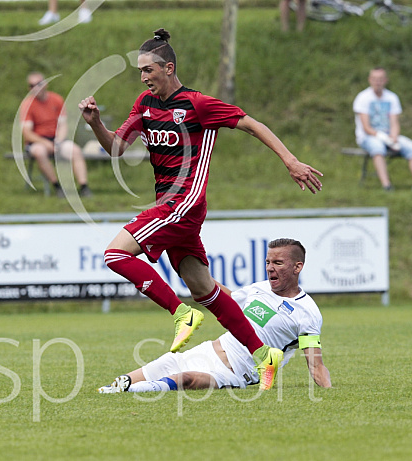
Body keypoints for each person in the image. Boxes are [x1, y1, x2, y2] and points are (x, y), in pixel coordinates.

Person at [79, 29, 323, 390]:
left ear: (169, 67)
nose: (144, 77)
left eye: (148, 70)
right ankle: (261, 353)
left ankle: (181, 314)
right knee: (204, 288)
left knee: (115, 254)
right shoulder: (144, 104)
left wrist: (290, 160)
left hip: (185, 201)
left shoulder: (197, 104)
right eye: (140, 72)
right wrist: (96, 123)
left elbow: (252, 125)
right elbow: (116, 148)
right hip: (168, 203)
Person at [99, 238, 332, 393]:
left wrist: (328, 393)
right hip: (209, 349)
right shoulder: (258, 288)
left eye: (278, 263)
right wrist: (197, 279)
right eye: (268, 262)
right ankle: (115, 389)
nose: (270, 268)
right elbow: (227, 300)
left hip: (236, 372)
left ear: (297, 267)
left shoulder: (307, 312)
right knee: (154, 368)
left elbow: (316, 364)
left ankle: (129, 391)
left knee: (186, 379)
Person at [353, 67, 412, 192]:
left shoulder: (392, 97)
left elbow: (394, 122)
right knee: (377, 148)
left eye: (380, 79)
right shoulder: (363, 98)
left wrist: (393, 137)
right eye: (375, 79)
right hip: (369, 137)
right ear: (370, 80)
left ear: (385, 80)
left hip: (389, 136)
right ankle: (386, 185)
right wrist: (382, 137)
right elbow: (366, 127)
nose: (378, 82)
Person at [20, 72, 91, 198]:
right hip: (37, 141)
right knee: (39, 152)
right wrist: (46, 143)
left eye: (38, 84)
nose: (35, 88)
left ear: (45, 84)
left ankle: (84, 187)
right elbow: (27, 133)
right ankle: (57, 186)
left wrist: (58, 141)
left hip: (56, 139)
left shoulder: (56, 100)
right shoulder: (27, 105)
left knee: (75, 150)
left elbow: (63, 125)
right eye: (32, 85)